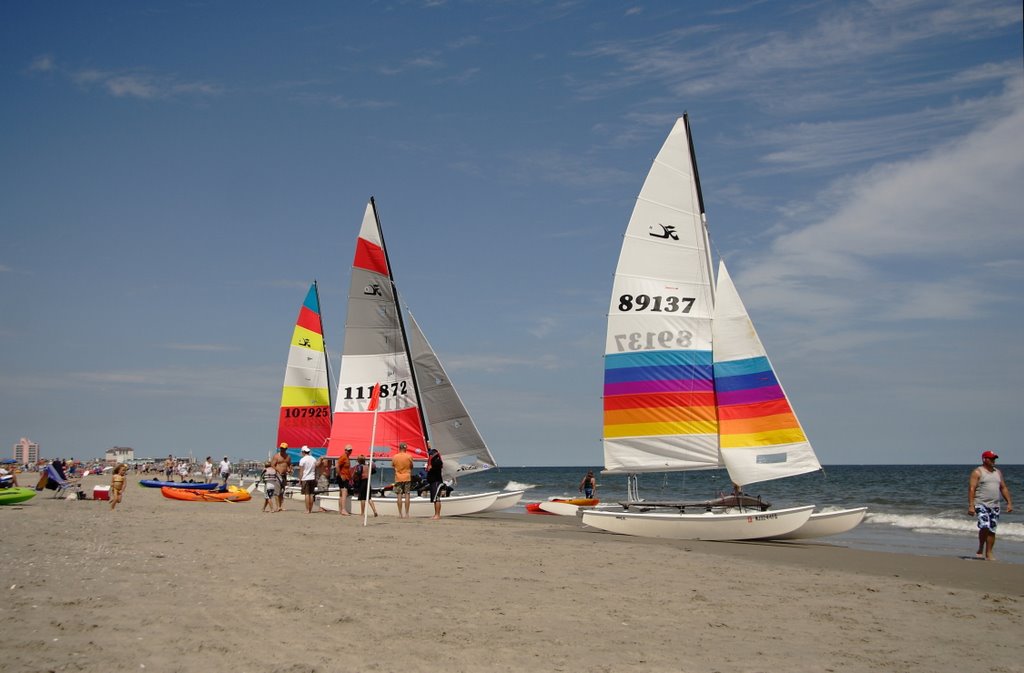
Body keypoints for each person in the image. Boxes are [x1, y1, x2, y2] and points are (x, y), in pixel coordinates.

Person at [968, 450, 1013, 561]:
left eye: (994, 459)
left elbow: (1003, 487)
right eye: (991, 458)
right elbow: (972, 489)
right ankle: (981, 547)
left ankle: (989, 553)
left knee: (992, 530)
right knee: (985, 525)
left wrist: (1009, 503)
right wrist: (971, 505)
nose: (994, 461)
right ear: (984, 459)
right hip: (981, 504)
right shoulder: (978, 472)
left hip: (995, 505)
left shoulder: (998, 472)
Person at [391, 442, 414, 518]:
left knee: (399, 495)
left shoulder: (395, 457)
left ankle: (400, 513)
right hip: (407, 477)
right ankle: (407, 513)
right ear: (405, 448)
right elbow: (411, 466)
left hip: (398, 478)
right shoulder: (409, 456)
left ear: (399, 448)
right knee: (407, 494)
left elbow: (393, 466)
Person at [270, 443, 292, 512]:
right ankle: (278, 506)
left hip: (284, 475)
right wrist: (278, 470)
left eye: (283, 448)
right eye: (281, 448)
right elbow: (272, 465)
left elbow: (289, 464)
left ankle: (281, 506)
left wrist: (290, 469)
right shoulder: (276, 456)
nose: (282, 449)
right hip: (277, 475)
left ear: (286, 449)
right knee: (277, 492)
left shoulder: (288, 456)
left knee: (282, 492)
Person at [426, 445, 444, 520]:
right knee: (435, 499)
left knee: (436, 499)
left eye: (431, 454)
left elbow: (437, 466)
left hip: (436, 482)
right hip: (433, 482)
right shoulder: (435, 461)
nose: (430, 455)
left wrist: (431, 467)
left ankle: (437, 515)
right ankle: (436, 514)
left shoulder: (437, 461)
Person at [298, 447, 317, 514]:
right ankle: (310, 509)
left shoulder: (302, 460)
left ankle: (307, 510)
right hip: (312, 478)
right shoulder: (314, 459)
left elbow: (301, 471)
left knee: (307, 494)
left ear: (303, 452)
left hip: (305, 478)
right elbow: (315, 469)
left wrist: (300, 480)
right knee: (311, 494)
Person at [335, 446, 353, 516]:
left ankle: (340, 509)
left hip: (346, 477)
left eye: (350, 450)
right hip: (343, 477)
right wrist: (340, 475)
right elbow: (337, 465)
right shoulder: (343, 457)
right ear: (345, 450)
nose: (349, 452)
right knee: (344, 493)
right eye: (348, 450)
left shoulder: (347, 457)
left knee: (342, 494)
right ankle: (343, 510)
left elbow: (347, 469)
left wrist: (350, 477)